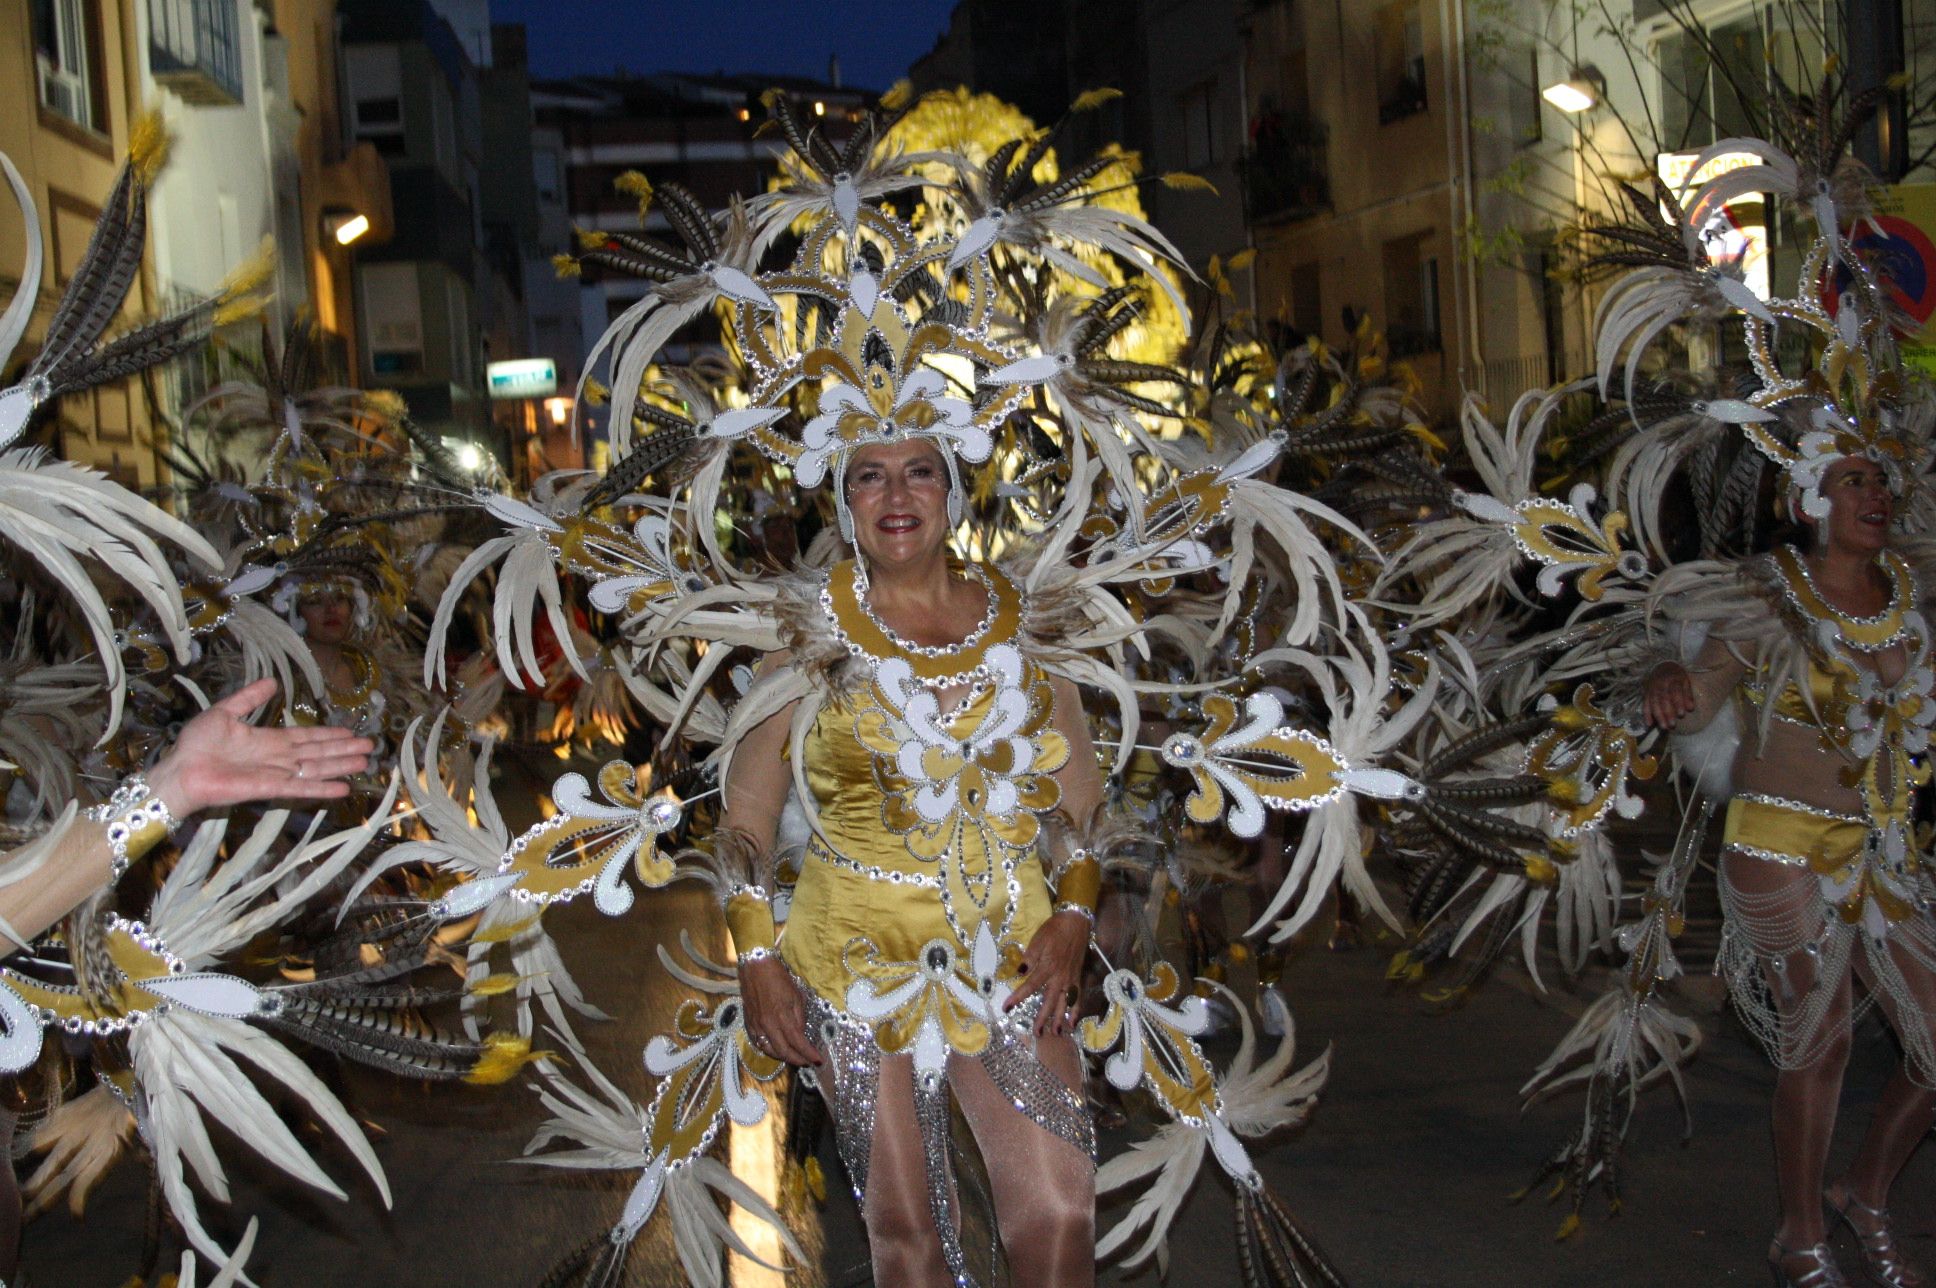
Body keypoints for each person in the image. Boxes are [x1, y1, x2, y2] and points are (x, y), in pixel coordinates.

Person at [728, 436, 1100, 1286]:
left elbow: (1080, 808)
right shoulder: (803, 639)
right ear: (844, 499)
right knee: (908, 1230)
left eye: (919, 470)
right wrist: (757, 956)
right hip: (850, 955)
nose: (895, 493)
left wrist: (1075, 914)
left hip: (1011, 948)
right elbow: (746, 817)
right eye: (869, 475)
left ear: (954, 490)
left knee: (1058, 1206)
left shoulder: (1028, 626)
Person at [1643, 455, 1936, 1288]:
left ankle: (1866, 1195)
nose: (1874, 494)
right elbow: (1696, 697)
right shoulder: (1767, 598)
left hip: (1884, 849)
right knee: (1823, 1040)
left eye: (1880, 481)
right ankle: (1800, 1234)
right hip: (1779, 840)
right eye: (1852, 481)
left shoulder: (1912, 598)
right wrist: (1663, 678)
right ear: (1808, 501)